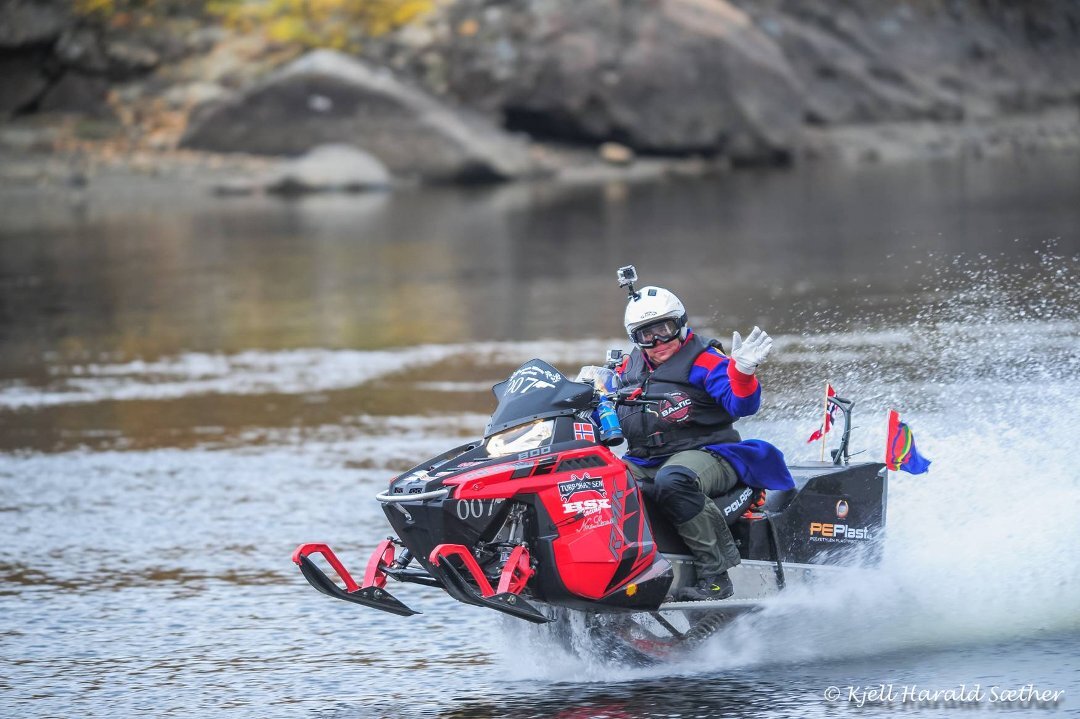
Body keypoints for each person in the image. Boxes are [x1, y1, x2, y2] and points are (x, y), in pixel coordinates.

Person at [614, 286, 794, 601]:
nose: (658, 342)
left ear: (680, 324)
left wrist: (743, 373)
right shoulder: (627, 368)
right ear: (635, 338)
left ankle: (716, 576)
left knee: (674, 480)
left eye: (664, 329)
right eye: (647, 335)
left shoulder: (706, 361)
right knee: (598, 478)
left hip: (710, 453)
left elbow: (741, 404)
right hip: (645, 460)